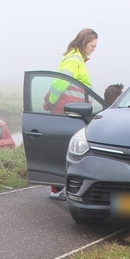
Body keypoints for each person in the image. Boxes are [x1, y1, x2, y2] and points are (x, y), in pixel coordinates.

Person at [47, 28, 98, 199]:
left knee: (68, 148)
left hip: (71, 110)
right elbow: (61, 83)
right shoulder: (75, 60)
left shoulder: (77, 59)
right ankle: (57, 189)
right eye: (92, 45)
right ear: (84, 42)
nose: (94, 48)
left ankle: (61, 188)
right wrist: (51, 101)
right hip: (67, 111)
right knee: (68, 149)